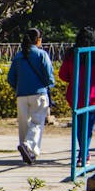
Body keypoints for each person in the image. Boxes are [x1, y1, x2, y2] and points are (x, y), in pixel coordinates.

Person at [7, 28, 55, 165]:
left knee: (23, 124)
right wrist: (49, 86)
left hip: (21, 95)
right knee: (37, 123)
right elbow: (49, 76)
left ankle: (26, 151)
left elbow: (11, 78)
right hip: (39, 94)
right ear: (38, 40)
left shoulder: (18, 56)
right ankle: (28, 147)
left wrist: (19, 87)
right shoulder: (42, 54)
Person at [58, 26, 95, 167]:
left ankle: (82, 154)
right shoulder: (93, 54)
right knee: (88, 127)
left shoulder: (72, 54)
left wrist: (74, 80)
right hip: (92, 97)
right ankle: (83, 155)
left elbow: (63, 75)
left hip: (76, 96)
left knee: (79, 127)